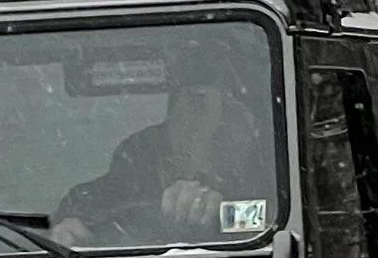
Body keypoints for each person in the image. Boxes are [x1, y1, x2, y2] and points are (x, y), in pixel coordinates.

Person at [51, 67, 272, 248]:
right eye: (193, 103)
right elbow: (66, 224)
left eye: (225, 111)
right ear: (170, 117)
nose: (199, 124)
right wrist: (70, 231)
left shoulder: (262, 184)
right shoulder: (116, 186)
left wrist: (219, 214)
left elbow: (268, 222)